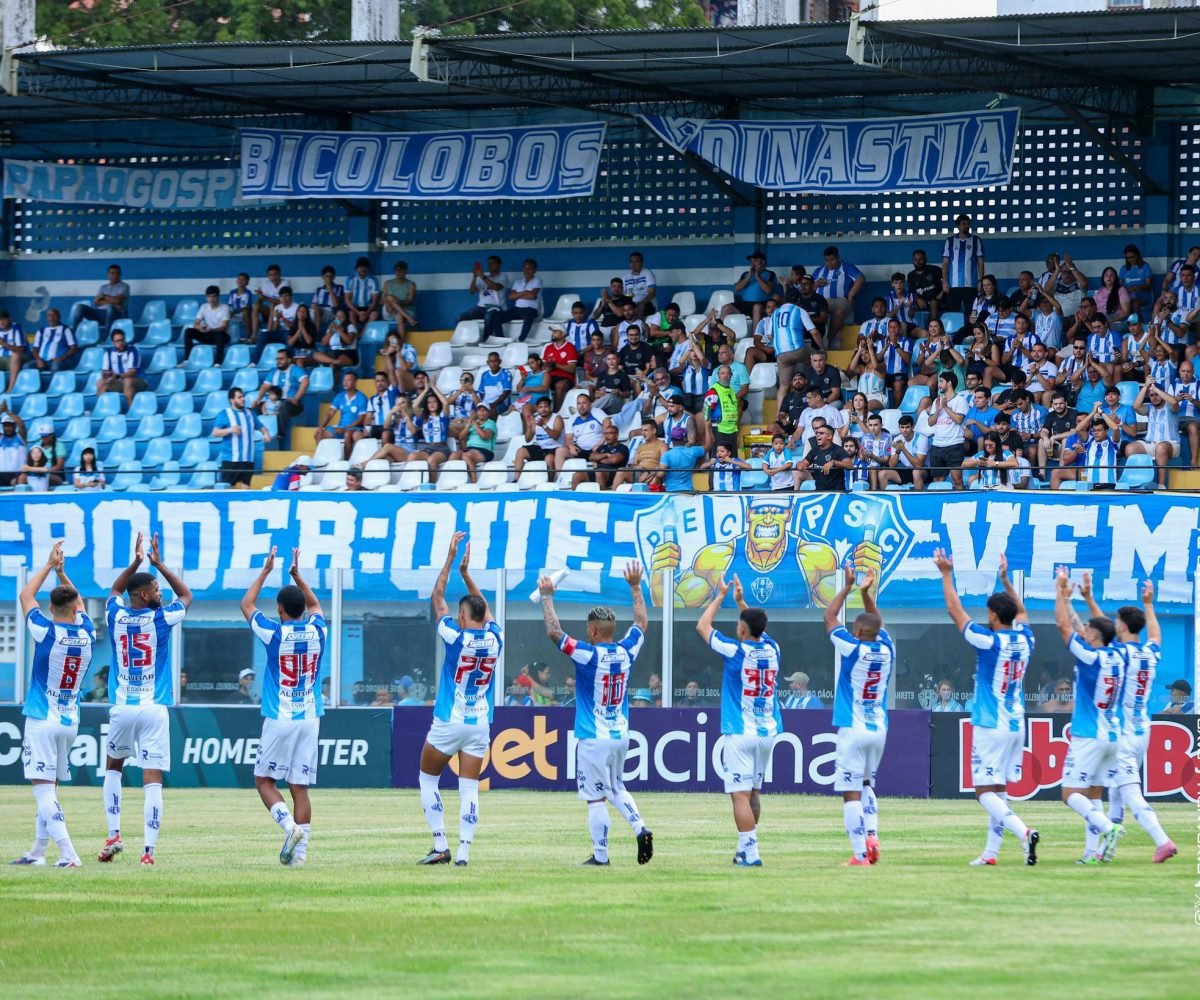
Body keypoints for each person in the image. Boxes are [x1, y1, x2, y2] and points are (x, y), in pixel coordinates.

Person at [539, 562, 653, 867]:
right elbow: (641, 623)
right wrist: (635, 586)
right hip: (620, 734)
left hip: (593, 737)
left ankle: (601, 855)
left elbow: (554, 632)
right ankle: (640, 827)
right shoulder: (627, 650)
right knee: (617, 787)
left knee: (595, 797)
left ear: (591, 630)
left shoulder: (588, 655)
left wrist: (547, 596)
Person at [934, 550, 1039, 867]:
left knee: (983, 791)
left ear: (993, 615)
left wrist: (946, 573)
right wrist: (1007, 579)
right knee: (999, 790)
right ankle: (991, 853)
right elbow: (1022, 613)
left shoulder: (989, 641)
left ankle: (1025, 832)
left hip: (990, 723)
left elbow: (955, 610)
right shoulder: (1026, 639)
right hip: (1016, 723)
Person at [99, 531, 192, 867]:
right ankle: (148, 852)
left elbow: (113, 591)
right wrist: (160, 564)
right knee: (152, 779)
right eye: (155, 589)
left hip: (122, 707)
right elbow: (186, 594)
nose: (160, 592)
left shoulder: (115, 616)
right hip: (154, 708)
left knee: (113, 768)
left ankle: (113, 834)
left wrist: (136, 562)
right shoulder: (162, 619)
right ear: (142, 594)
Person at [414, 533, 501, 866]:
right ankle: (464, 853)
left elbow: (437, 597)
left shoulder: (454, 635)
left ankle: (440, 845)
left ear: (463, 617)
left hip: (449, 720)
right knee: (469, 788)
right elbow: (486, 611)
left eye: (461, 613)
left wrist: (451, 560)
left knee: (427, 778)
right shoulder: (496, 638)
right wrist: (468, 575)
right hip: (479, 722)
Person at [1076, 576, 1176, 863]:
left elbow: (1101, 628)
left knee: (1129, 791)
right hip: (1144, 729)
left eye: (1116, 621)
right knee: (1117, 791)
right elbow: (1155, 636)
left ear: (1120, 625)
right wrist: (1149, 604)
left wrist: (1088, 599)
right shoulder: (1149, 653)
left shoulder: (1118, 653)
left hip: (1122, 733)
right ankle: (1107, 851)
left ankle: (1162, 840)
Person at [240, 546, 327, 867]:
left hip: (280, 716)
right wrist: (298, 576)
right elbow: (316, 604)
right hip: (310, 716)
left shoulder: (273, 632)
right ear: (303, 608)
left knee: (264, 781)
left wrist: (265, 571)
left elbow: (246, 605)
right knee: (299, 786)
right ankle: (299, 858)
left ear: (279, 609)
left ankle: (290, 828)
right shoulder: (319, 629)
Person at [9, 542, 94, 868]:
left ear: (51, 607)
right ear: (75, 609)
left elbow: (25, 597)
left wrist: (48, 566)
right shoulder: (86, 632)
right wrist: (62, 572)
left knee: (43, 791)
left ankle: (69, 854)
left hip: (42, 719)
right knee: (51, 788)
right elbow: (79, 601)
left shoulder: (44, 630)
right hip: (69, 720)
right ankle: (38, 851)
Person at [694, 574, 781, 867]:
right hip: (768, 730)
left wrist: (720, 596)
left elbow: (702, 626)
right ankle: (745, 849)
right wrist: (742, 603)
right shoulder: (773, 650)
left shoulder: (735, 650)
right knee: (754, 792)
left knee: (739, 795)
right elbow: (759, 627)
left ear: (742, 628)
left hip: (740, 731)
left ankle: (751, 852)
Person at [1052, 565, 1126, 865]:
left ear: (1094, 635)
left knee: (1070, 793)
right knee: (1093, 794)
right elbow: (1094, 628)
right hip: (1112, 734)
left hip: (1089, 733)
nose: (1086, 631)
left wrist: (1059, 592)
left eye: (1089, 631)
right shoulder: (1118, 654)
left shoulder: (1089, 655)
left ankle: (1109, 828)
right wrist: (1076, 601)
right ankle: (1092, 854)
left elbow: (1063, 627)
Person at [824, 565, 893, 866]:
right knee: (867, 786)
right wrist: (866, 594)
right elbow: (877, 623)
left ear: (856, 632)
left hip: (853, 726)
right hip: (879, 727)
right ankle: (872, 835)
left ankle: (860, 853)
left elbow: (829, 618)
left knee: (850, 793)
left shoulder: (852, 647)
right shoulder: (888, 647)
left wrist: (848, 587)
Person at [213, 387, 270, 488]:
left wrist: (266, 434)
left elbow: (261, 427)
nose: (243, 399)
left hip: (248, 459)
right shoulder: (225, 414)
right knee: (227, 488)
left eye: (243, 396)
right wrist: (229, 430)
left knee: (246, 488)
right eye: (239, 397)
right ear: (232, 400)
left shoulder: (250, 413)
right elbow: (215, 432)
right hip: (231, 460)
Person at [811, 245, 864, 339]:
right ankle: (817, 340)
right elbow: (809, 288)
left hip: (841, 301)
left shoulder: (846, 267)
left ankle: (828, 340)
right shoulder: (819, 271)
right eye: (826, 260)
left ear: (838, 257)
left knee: (839, 312)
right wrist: (816, 285)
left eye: (832, 260)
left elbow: (860, 278)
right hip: (823, 301)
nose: (829, 263)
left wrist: (851, 294)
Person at [314, 371, 369, 461]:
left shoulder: (361, 397)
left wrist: (345, 428)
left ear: (355, 382)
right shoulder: (339, 396)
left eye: (348, 380)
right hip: (340, 427)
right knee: (319, 434)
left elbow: (361, 419)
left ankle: (346, 462)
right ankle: (323, 461)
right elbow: (330, 413)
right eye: (344, 380)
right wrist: (321, 427)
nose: (345, 382)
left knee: (347, 434)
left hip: (355, 428)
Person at [927, 372, 969, 488]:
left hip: (954, 444)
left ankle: (962, 503)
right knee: (937, 481)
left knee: (957, 479)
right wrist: (938, 409)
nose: (939, 384)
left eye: (941, 381)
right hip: (937, 445)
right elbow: (930, 422)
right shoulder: (937, 401)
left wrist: (945, 407)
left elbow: (959, 419)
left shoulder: (960, 400)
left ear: (949, 383)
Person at [942, 215, 986, 320]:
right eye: (963, 224)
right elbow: (945, 263)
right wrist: (944, 281)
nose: (967, 226)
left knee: (971, 311)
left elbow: (980, 262)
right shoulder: (950, 241)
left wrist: (981, 280)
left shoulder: (976, 240)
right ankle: (955, 334)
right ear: (958, 226)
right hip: (954, 284)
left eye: (968, 224)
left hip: (971, 284)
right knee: (953, 312)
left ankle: (972, 333)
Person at [68, 264, 129, 338]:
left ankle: (107, 337)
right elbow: (96, 302)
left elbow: (118, 300)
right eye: (112, 273)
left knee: (110, 308)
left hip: (116, 315)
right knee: (80, 307)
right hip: (100, 315)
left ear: (120, 275)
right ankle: (72, 336)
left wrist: (104, 296)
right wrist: (113, 302)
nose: (115, 275)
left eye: (117, 273)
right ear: (108, 275)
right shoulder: (103, 287)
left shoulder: (124, 286)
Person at [97, 329, 147, 408]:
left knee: (127, 380)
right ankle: (106, 410)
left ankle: (132, 410)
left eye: (122, 340)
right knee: (100, 382)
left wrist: (118, 376)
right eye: (118, 341)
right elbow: (105, 372)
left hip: (138, 381)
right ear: (113, 342)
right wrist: (107, 377)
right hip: (119, 382)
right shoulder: (108, 353)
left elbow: (133, 372)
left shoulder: (132, 351)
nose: (121, 343)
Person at [182, 285, 232, 364]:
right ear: (206, 297)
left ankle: (218, 363)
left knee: (220, 335)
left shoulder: (225, 308)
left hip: (221, 335)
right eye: (209, 297)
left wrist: (211, 330)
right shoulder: (204, 307)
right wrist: (200, 328)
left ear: (218, 297)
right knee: (188, 331)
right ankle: (186, 360)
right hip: (208, 334)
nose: (211, 299)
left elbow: (224, 327)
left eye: (214, 296)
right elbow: (195, 323)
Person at [798, 423, 850, 492]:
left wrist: (833, 462)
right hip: (819, 492)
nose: (817, 435)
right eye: (817, 433)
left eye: (821, 433)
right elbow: (804, 463)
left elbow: (849, 464)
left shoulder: (838, 450)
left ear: (829, 436)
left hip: (837, 492)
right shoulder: (814, 450)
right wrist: (799, 464)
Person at [32, 308, 78, 372]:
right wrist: (38, 359)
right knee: (27, 366)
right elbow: (35, 349)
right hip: (42, 361)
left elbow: (73, 348)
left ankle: (55, 382)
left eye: (54, 315)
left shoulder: (66, 330)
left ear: (59, 317)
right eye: (49, 315)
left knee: (55, 367)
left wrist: (61, 358)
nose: (51, 318)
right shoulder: (41, 331)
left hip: (60, 361)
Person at [381, 260, 417, 336]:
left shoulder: (411, 284)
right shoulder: (388, 283)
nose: (398, 273)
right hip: (389, 311)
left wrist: (397, 302)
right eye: (397, 271)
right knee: (389, 297)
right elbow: (382, 301)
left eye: (401, 271)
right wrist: (390, 303)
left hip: (405, 310)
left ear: (406, 271)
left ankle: (400, 345)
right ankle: (409, 319)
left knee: (400, 317)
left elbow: (410, 301)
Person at [345, 256, 380, 329]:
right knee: (351, 313)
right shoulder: (350, 279)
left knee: (374, 314)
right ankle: (355, 334)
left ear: (368, 269)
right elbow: (347, 300)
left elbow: (374, 302)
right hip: (354, 308)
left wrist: (366, 314)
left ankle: (363, 335)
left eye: (365, 267)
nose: (363, 269)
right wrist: (358, 313)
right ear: (356, 268)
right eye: (360, 267)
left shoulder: (373, 280)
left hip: (368, 308)